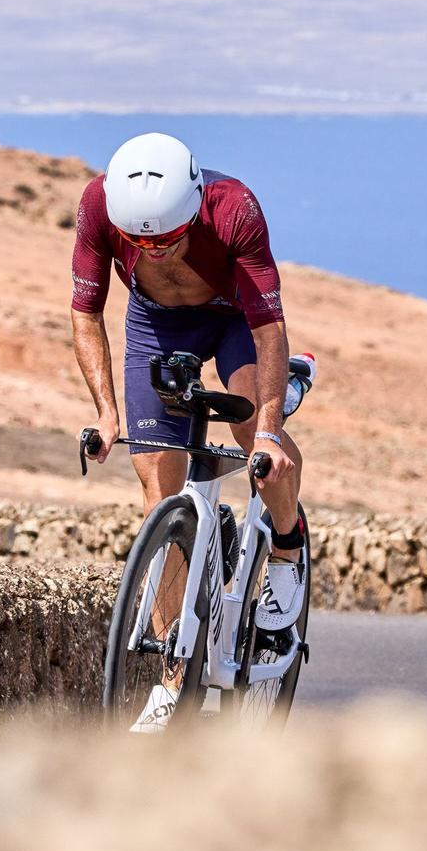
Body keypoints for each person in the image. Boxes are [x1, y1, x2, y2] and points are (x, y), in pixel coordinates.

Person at [70, 131, 306, 733]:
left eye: (170, 239)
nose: (157, 252)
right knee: (159, 496)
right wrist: (105, 413)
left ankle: (284, 550)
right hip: (156, 325)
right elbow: (85, 313)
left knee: (260, 447)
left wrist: (272, 432)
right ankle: (172, 676)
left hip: (233, 320)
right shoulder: (99, 206)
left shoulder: (235, 209)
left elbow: (269, 327)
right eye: (142, 242)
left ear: (195, 207)